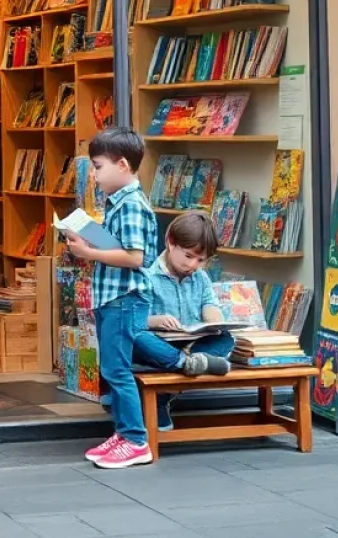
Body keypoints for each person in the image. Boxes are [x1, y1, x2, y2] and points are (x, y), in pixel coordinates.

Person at [63, 128, 157, 470]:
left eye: (98, 167)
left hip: (124, 298)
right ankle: (123, 433)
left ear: (122, 165)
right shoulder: (119, 202)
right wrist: (90, 237)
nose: (95, 175)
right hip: (113, 298)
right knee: (112, 369)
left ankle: (135, 440)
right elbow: (118, 247)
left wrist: (89, 250)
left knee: (118, 371)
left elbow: (134, 257)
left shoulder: (131, 204)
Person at [134, 211, 233, 432]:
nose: (194, 265)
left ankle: (173, 382)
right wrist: (156, 320)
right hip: (159, 345)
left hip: (190, 342)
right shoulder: (148, 275)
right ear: (171, 243)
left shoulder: (201, 277)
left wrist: (214, 319)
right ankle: (186, 365)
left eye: (201, 260)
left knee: (226, 339)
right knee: (137, 338)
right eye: (188, 256)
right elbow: (136, 320)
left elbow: (209, 303)